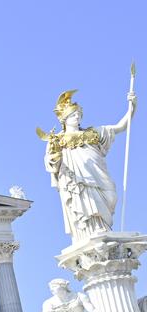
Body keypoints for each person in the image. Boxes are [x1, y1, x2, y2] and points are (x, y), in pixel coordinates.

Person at [42, 89, 137, 244]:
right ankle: (87, 233)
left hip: (98, 175)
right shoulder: (57, 141)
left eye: (78, 114)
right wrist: (54, 157)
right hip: (77, 180)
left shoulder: (94, 133)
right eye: (73, 115)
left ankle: (103, 228)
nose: (77, 117)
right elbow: (51, 163)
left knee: (111, 197)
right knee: (85, 205)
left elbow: (120, 127)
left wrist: (132, 107)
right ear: (64, 119)